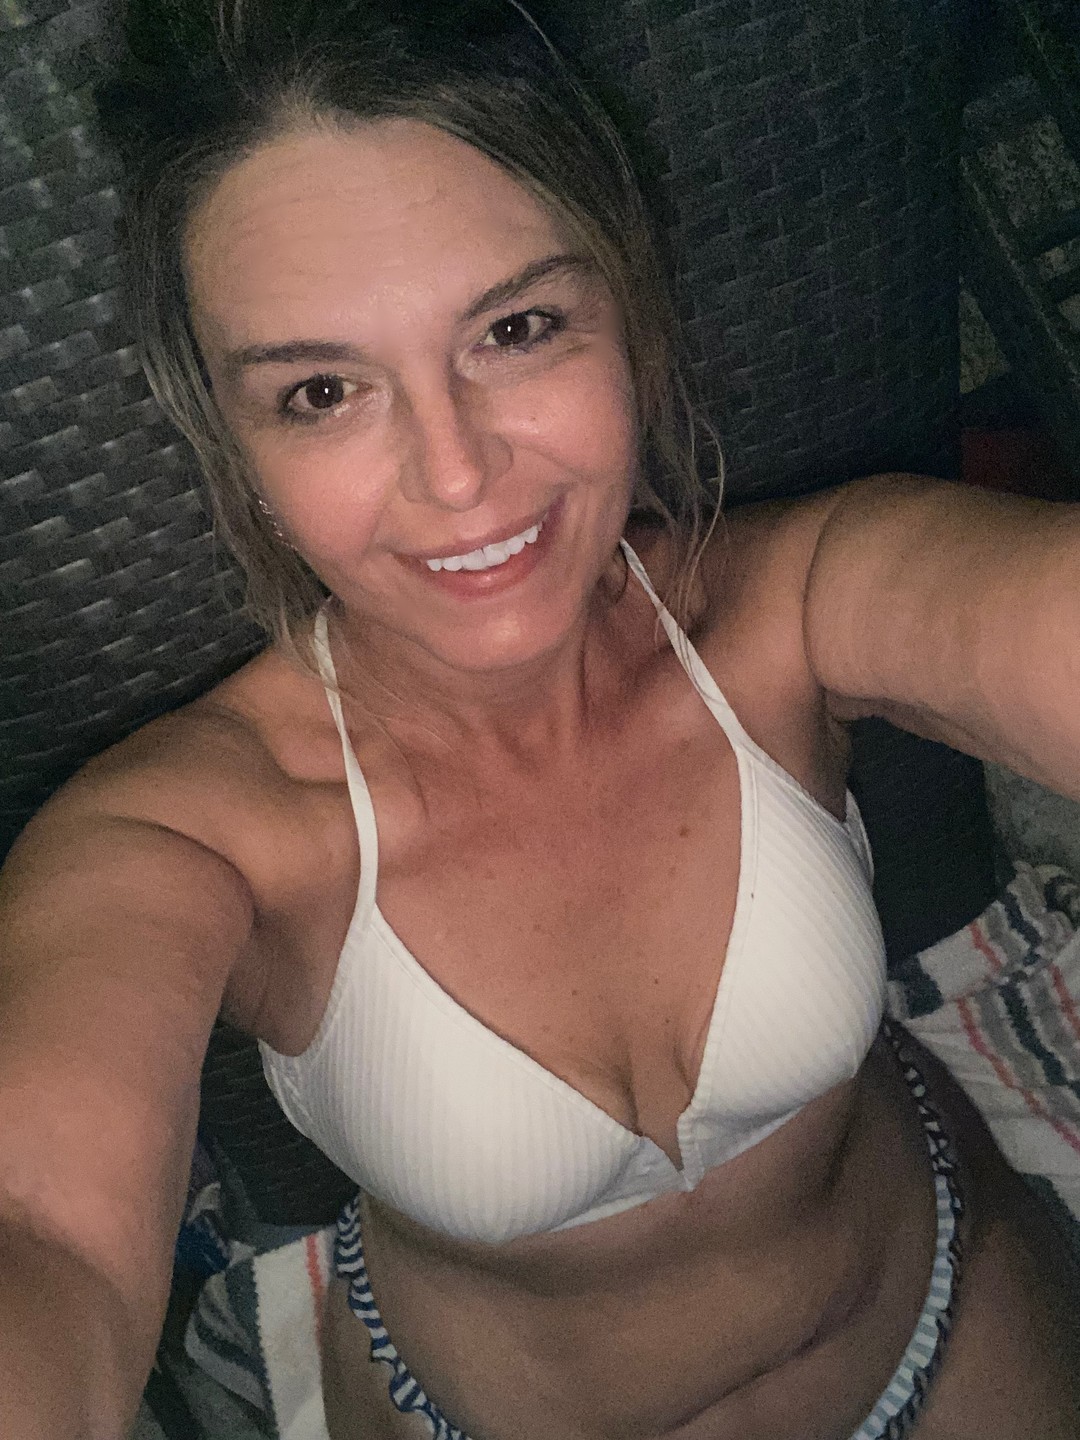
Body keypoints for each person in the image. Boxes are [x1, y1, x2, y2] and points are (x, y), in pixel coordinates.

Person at [2, 2, 1079, 1437]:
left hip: (943, 1308)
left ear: (624, 314)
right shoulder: (186, 837)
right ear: (233, 443)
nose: (456, 475)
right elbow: (46, 1236)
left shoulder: (799, 602)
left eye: (515, 330)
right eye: (323, 392)